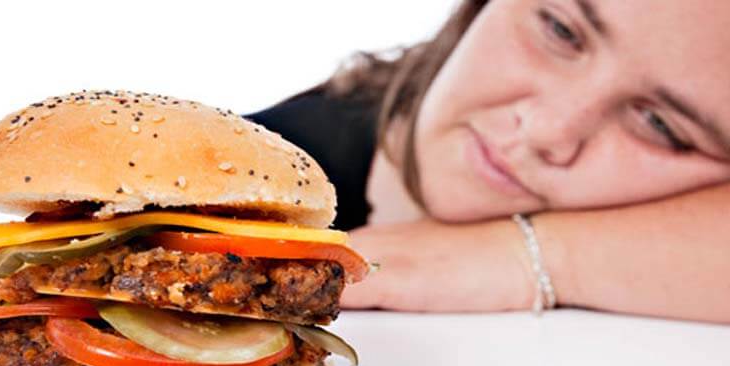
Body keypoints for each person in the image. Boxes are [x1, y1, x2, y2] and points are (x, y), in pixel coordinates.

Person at [247, 0, 730, 323]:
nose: (546, 131)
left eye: (660, 125)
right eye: (560, 30)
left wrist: (526, 256)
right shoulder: (250, 183)